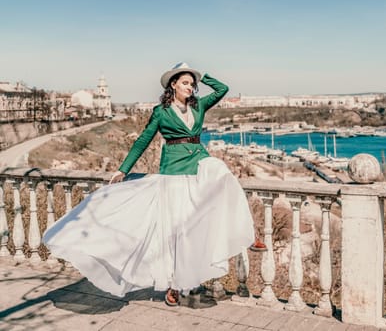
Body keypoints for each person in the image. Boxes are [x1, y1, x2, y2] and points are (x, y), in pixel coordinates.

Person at [43, 62, 255, 306]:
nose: (190, 87)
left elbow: (222, 89)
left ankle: (243, 229)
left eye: (192, 83)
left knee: (217, 181)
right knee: (176, 232)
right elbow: (143, 140)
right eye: (185, 82)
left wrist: (201, 75)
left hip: (198, 165)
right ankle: (175, 284)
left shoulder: (199, 105)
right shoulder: (160, 112)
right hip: (173, 172)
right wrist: (123, 169)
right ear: (173, 84)